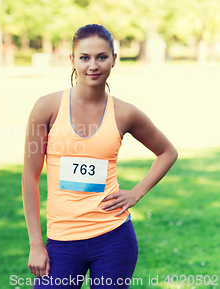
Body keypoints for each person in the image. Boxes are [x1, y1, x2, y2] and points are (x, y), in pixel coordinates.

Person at [22, 24, 178, 288]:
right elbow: (29, 177)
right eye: (84, 58)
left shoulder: (125, 113)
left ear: (114, 60)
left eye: (101, 57)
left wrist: (136, 192)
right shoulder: (46, 108)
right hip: (61, 241)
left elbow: (167, 152)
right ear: (72, 60)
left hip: (113, 238)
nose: (92, 65)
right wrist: (36, 243)